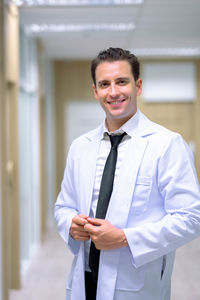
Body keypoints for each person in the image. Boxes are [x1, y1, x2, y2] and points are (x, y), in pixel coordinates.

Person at [54, 47, 200, 300]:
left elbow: (190, 218)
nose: (113, 92)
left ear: (138, 86)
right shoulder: (80, 147)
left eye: (122, 81)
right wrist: (70, 224)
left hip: (136, 284)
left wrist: (124, 238)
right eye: (104, 84)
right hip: (85, 278)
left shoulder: (166, 145)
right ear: (95, 91)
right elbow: (63, 206)